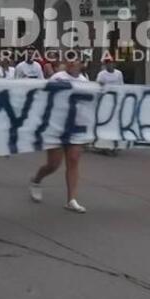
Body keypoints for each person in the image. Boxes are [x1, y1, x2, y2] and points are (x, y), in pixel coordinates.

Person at [29, 58, 90, 213]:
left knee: (73, 160)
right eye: (69, 60)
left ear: (81, 64)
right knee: (53, 164)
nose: (71, 63)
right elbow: (45, 98)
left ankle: (71, 200)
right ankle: (36, 180)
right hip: (56, 126)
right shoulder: (58, 78)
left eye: (75, 60)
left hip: (75, 127)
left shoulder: (84, 81)